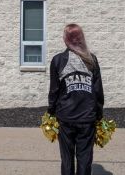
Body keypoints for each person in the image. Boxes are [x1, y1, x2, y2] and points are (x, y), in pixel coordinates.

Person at [47, 23, 104, 175]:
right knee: (85, 158)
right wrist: (98, 114)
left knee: (67, 158)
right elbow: (98, 91)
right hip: (86, 118)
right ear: (81, 38)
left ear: (65, 39)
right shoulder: (91, 60)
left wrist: (50, 112)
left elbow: (54, 91)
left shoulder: (58, 60)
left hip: (66, 117)